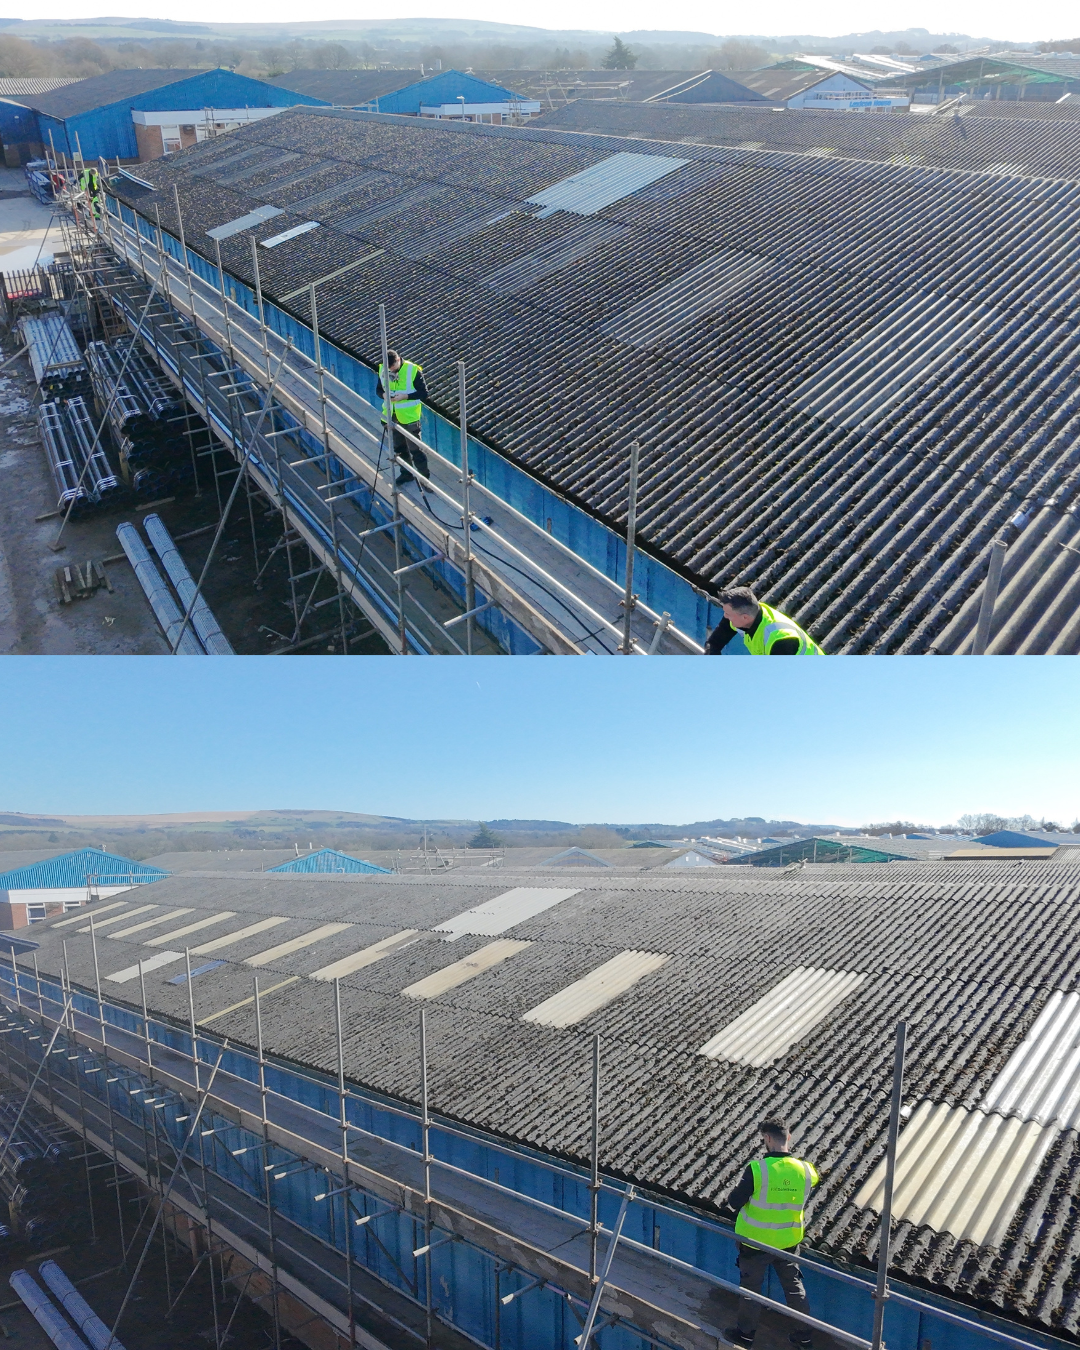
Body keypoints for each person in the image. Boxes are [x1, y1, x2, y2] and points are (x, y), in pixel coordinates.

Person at [722, 1117, 820, 1349]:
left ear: (767, 1139)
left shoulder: (758, 1170)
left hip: (756, 1244)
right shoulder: (807, 1170)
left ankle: (745, 1335)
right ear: (789, 1137)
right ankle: (803, 1335)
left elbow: (734, 1202)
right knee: (794, 1288)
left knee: (751, 1290)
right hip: (788, 1242)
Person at [705, 586, 825, 655]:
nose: (725, 617)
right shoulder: (742, 615)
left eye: (727, 613)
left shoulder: (782, 639)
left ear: (745, 618)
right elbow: (714, 643)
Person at [376, 349, 431, 487]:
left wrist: (405, 397)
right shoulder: (383, 368)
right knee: (399, 448)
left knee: (416, 450)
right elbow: (378, 389)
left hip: (409, 418)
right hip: (391, 416)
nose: (390, 371)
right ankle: (407, 474)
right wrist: (384, 395)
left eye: (392, 368)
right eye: (388, 368)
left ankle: (425, 480)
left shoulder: (413, 370)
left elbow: (424, 393)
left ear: (398, 360)